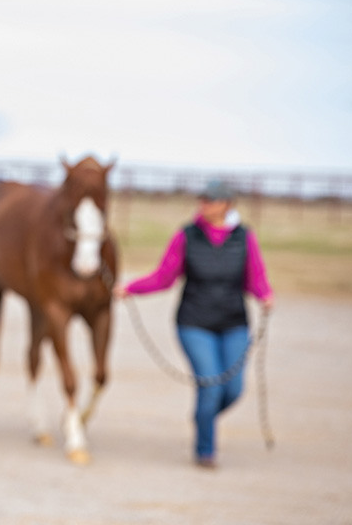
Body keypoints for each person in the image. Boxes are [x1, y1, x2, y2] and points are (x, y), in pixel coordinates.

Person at [113, 179, 272, 469]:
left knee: (233, 390)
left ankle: (203, 415)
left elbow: (255, 276)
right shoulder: (187, 235)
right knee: (210, 384)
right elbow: (164, 276)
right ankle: (205, 450)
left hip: (234, 323)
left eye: (210, 200)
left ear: (226, 204)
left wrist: (265, 296)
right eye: (202, 199)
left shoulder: (244, 237)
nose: (204, 205)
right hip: (194, 323)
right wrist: (131, 288)